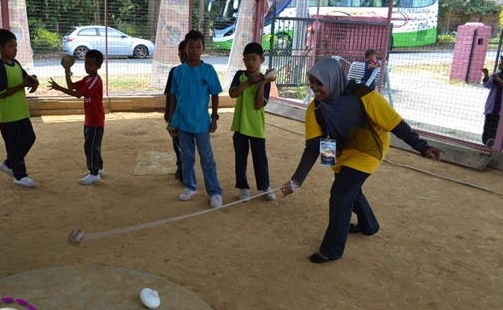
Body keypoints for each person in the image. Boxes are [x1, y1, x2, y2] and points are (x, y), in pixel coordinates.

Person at [281, 58, 444, 264]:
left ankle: (332, 250)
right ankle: (369, 225)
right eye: (311, 82)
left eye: (319, 83)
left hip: (369, 147)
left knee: (340, 192)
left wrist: (423, 147)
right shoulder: (314, 109)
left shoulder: (365, 96)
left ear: (333, 80)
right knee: (348, 187)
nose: (314, 88)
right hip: (339, 149)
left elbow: (396, 125)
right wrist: (297, 181)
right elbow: (314, 145)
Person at [168, 30, 223, 208]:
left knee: (207, 158)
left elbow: (215, 94)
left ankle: (215, 192)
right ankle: (190, 186)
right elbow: (175, 97)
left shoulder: (208, 70)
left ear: (203, 49)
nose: (194, 50)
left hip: (201, 123)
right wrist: (172, 121)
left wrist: (214, 118)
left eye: (198, 46)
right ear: (185, 48)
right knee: (186, 156)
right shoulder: (178, 71)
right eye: (190, 46)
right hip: (182, 123)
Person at [48, 49, 105, 185]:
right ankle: (99, 168)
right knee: (93, 145)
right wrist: (67, 71)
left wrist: (58, 87)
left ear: (98, 66)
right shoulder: (87, 79)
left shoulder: (95, 81)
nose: (87, 67)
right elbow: (71, 86)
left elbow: (78, 94)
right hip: (91, 119)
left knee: (90, 146)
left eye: (90, 64)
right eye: (86, 64)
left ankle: (94, 173)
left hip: (95, 120)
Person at [0, 28, 39, 187]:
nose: (14, 49)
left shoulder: (16, 63)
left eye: (15, 46)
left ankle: (9, 163)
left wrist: (33, 81)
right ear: (0, 48)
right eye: (10, 46)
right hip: (8, 114)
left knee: (29, 138)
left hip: (21, 112)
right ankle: (20, 176)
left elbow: (25, 78)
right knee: (14, 145)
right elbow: (3, 93)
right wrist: (23, 85)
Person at [229, 42, 275, 202]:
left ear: (261, 59)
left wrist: (261, 84)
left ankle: (265, 186)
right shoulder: (240, 76)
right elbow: (233, 94)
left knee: (260, 158)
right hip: (240, 126)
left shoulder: (266, 81)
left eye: (253, 59)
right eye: (246, 59)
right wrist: (249, 82)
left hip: (256, 127)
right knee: (240, 158)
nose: (250, 63)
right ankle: (243, 187)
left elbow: (258, 104)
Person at [164, 40, 187, 184]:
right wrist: (168, 114)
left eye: (186, 53)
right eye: (181, 54)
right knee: (177, 141)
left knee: (188, 145)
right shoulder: (175, 72)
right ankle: (181, 167)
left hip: (192, 117)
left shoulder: (201, 71)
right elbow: (170, 94)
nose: (184, 56)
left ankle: (186, 168)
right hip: (177, 116)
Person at [480, 57, 503, 147]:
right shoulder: (497, 75)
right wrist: (486, 75)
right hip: (492, 107)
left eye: (501, 63)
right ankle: (487, 143)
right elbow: (487, 85)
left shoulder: (497, 77)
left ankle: (496, 145)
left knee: (498, 129)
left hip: (501, 110)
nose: (499, 64)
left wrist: (498, 79)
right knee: (488, 127)